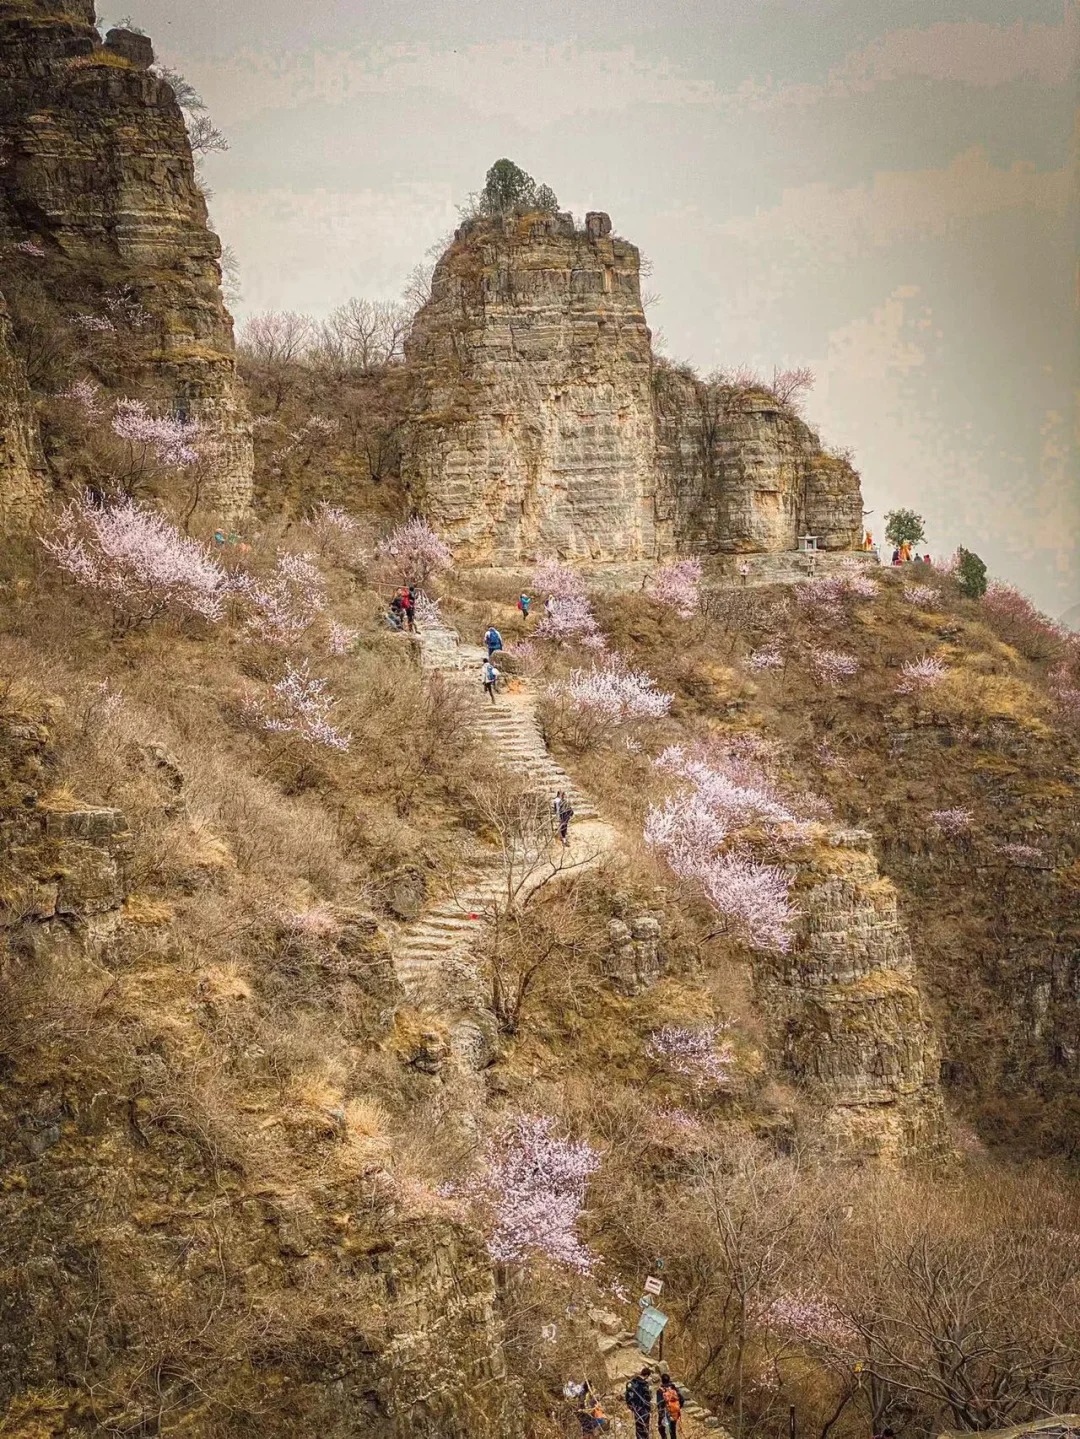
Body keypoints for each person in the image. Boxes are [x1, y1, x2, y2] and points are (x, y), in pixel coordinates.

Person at [625, 1366, 653, 1439]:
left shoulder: (631, 1383)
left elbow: (627, 1396)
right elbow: (648, 1398)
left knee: (638, 1427)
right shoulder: (645, 1385)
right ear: (646, 1375)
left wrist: (631, 1407)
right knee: (645, 1426)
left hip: (636, 1408)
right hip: (644, 1409)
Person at [656, 1374, 684, 1439]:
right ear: (669, 1380)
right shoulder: (674, 1389)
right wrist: (678, 1408)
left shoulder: (660, 1390)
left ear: (662, 1380)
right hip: (674, 1413)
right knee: (672, 1430)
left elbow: (659, 1403)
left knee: (661, 1428)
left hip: (665, 1413)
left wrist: (661, 1414)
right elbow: (682, 1399)